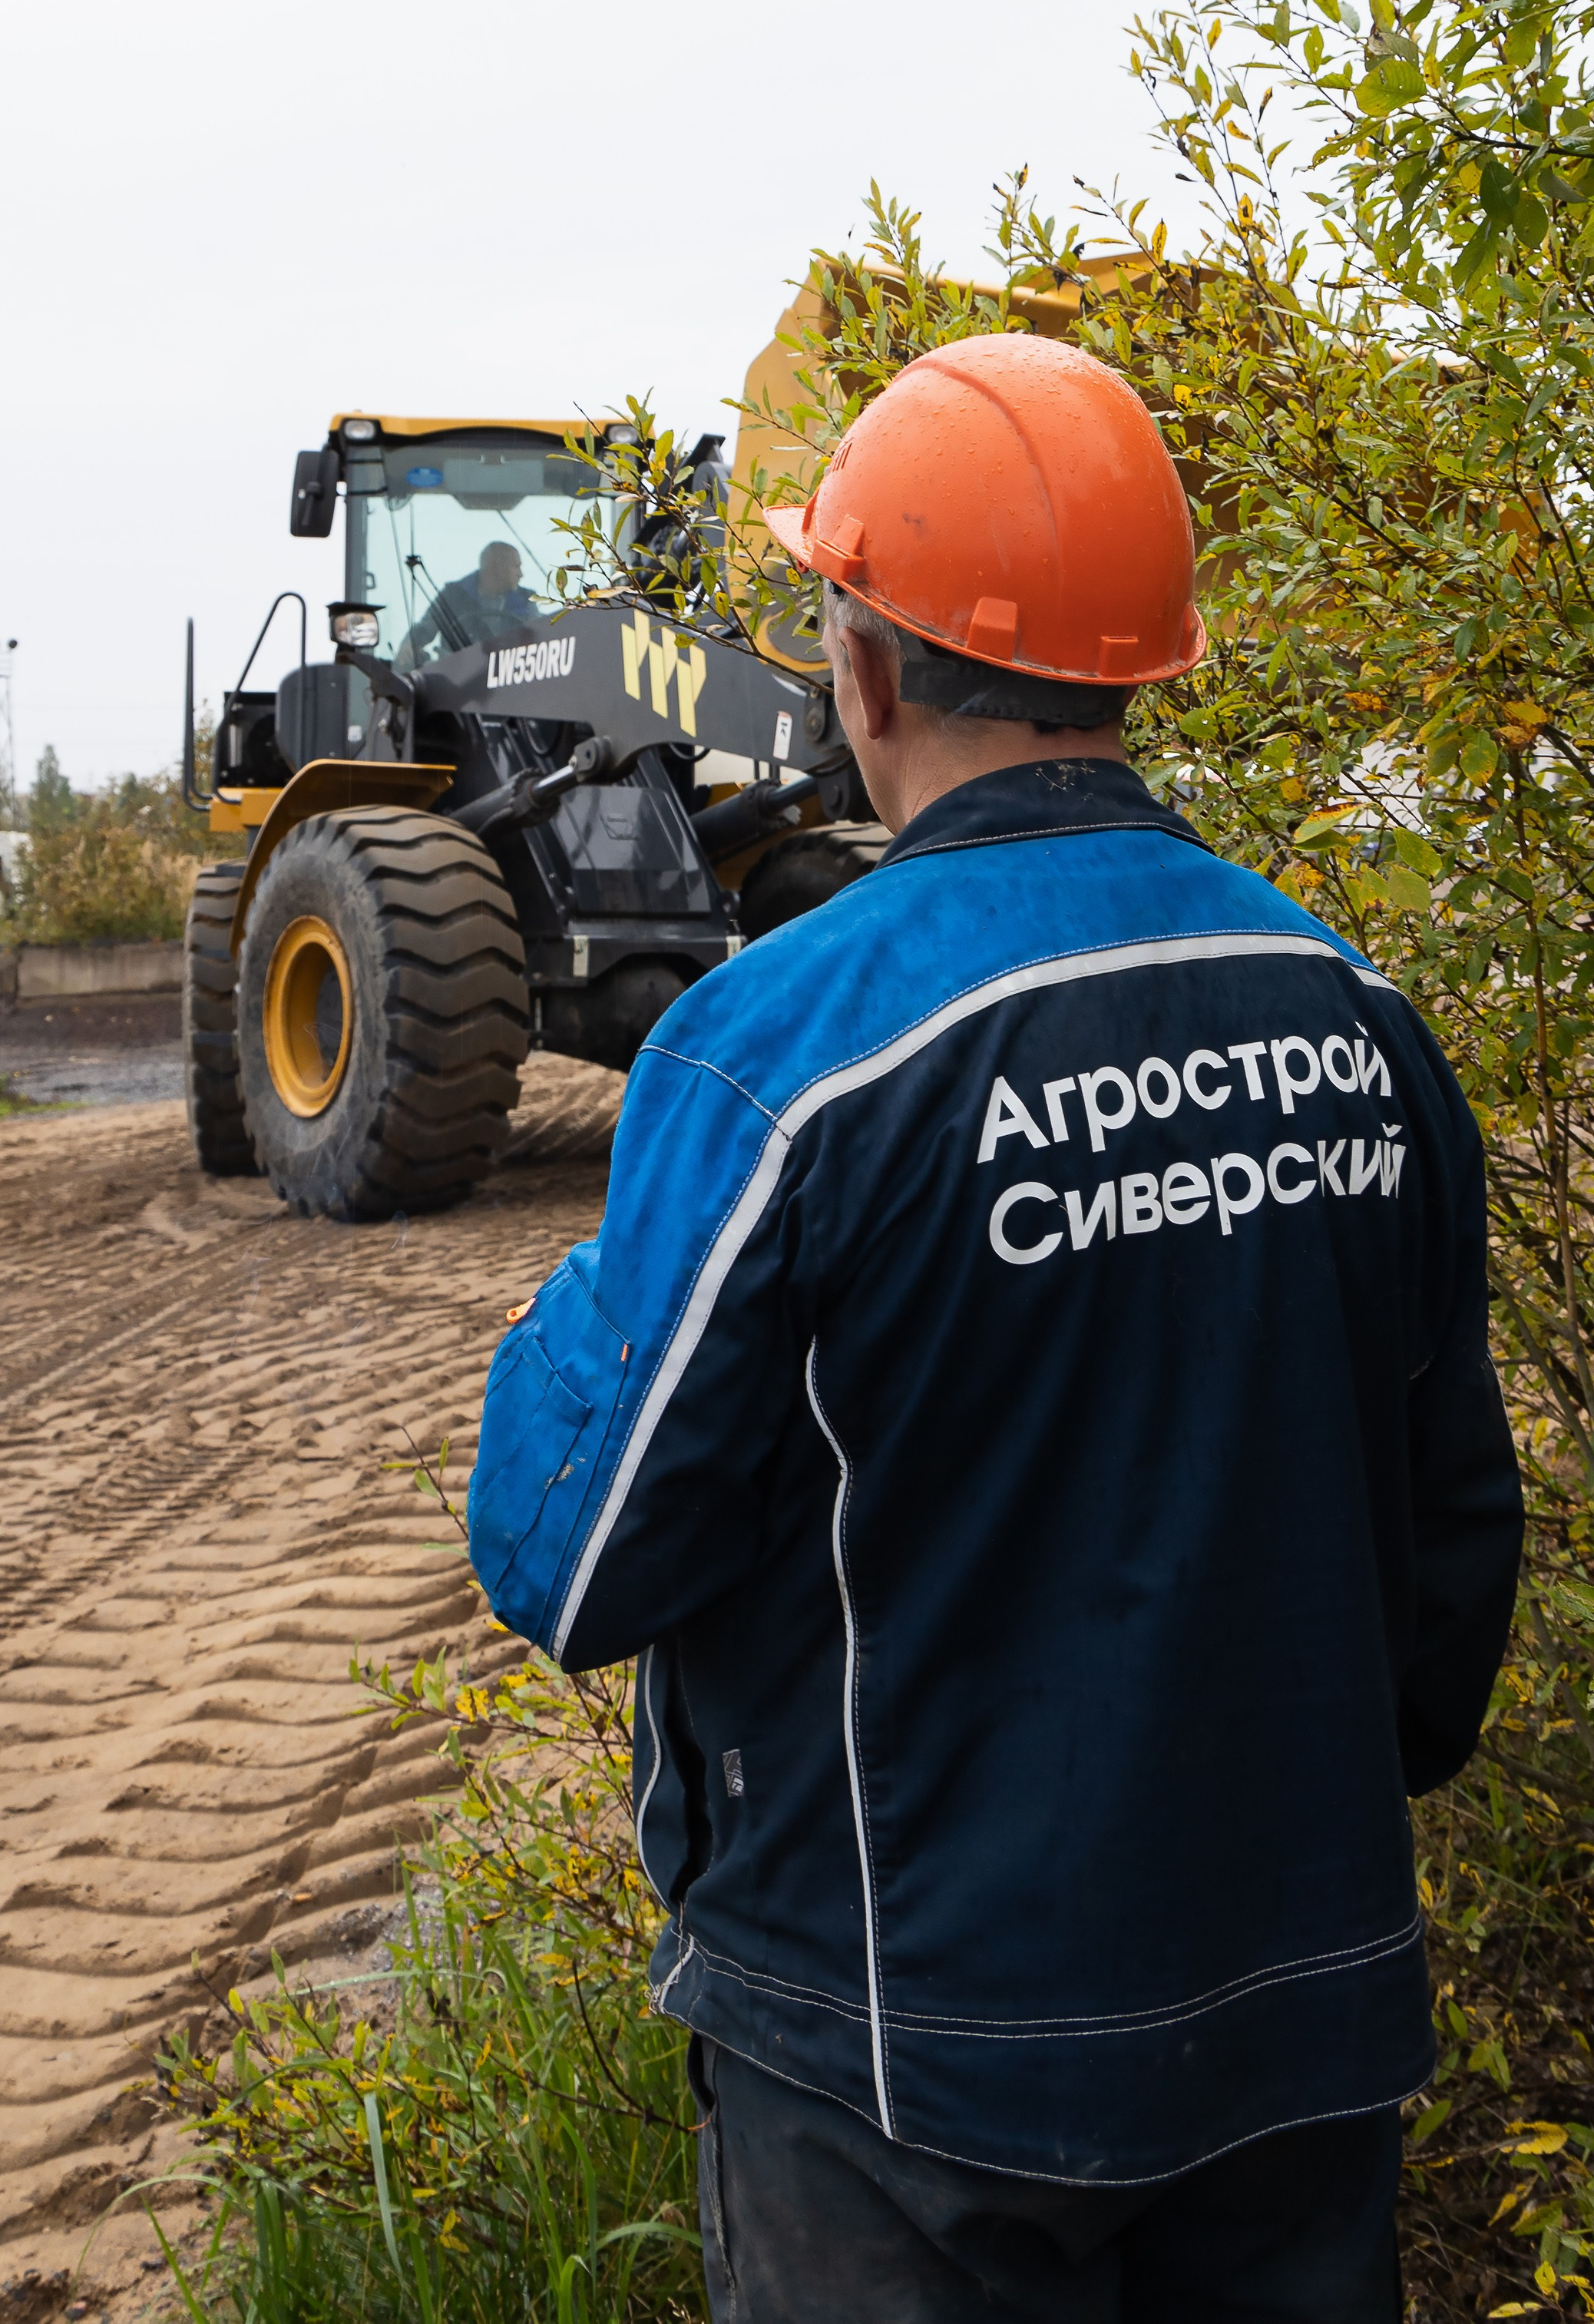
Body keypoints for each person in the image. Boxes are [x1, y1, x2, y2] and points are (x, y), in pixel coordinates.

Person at [465, 333, 1523, 2323]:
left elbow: (578, 1559)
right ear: (1138, 668)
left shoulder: (780, 1050)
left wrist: (575, 1309)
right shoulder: (1353, 1011)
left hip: (902, 2066)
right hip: (1299, 2028)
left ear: (862, 669)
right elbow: (1447, 1562)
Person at [396, 538, 537, 663]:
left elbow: (537, 636)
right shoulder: (453, 595)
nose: (521, 574)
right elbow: (428, 625)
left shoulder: (526, 600)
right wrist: (409, 645)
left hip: (508, 675)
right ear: (497, 568)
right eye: (516, 566)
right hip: (457, 675)